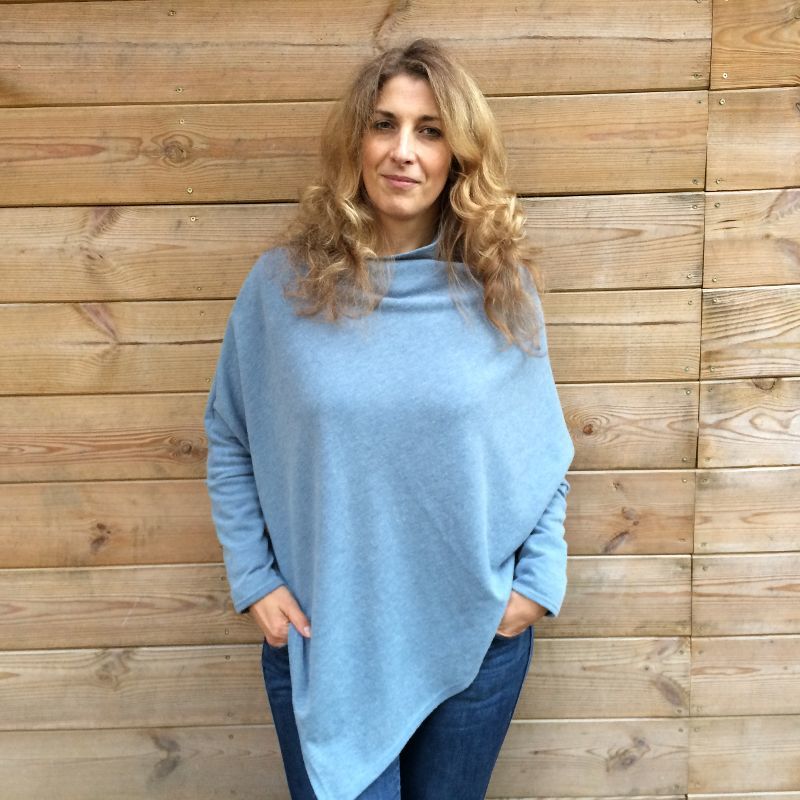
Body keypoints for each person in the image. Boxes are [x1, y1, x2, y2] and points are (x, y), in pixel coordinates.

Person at [204, 37, 575, 800]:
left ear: (458, 157)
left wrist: (536, 585)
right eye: (385, 124)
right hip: (328, 648)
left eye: (429, 131)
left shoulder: (500, 291)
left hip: (475, 644)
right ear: (357, 142)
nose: (404, 150)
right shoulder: (281, 287)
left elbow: (543, 456)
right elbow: (230, 435)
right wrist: (254, 579)